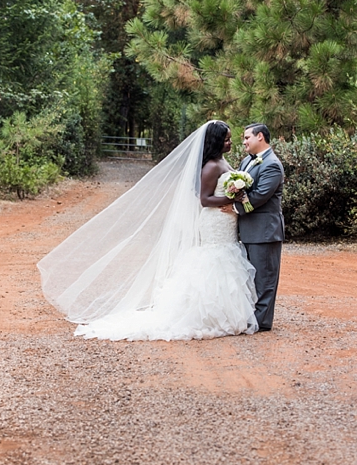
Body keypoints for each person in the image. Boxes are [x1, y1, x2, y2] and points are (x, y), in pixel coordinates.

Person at [37, 121, 257, 341]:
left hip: (225, 221)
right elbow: (204, 199)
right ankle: (207, 314)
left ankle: (222, 312)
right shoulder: (211, 166)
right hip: (214, 222)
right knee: (213, 259)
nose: (230, 142)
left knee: (224, 259)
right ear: (216, 141)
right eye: (226, 139)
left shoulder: (221, 161)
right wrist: (230, 198)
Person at [233, 123, 284, 331]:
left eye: (247, 138)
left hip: (265, 231)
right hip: (248, 230)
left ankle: (261, 322)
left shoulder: (272, 164)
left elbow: (260, 195)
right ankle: (250, 318)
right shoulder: (247, 161)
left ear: (260, 137)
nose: (244, 142)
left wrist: (235, 207)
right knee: (249, 278)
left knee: (265, 278)